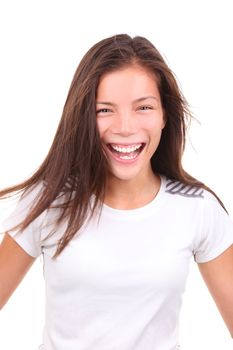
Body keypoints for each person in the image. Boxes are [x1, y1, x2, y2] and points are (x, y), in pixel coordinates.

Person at [0, 34, 233, 350]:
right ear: (83, 117)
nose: (125, 127)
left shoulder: (197, 208)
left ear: (165, 115)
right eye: (104, 110)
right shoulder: (48, 201)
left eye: (144, 107)